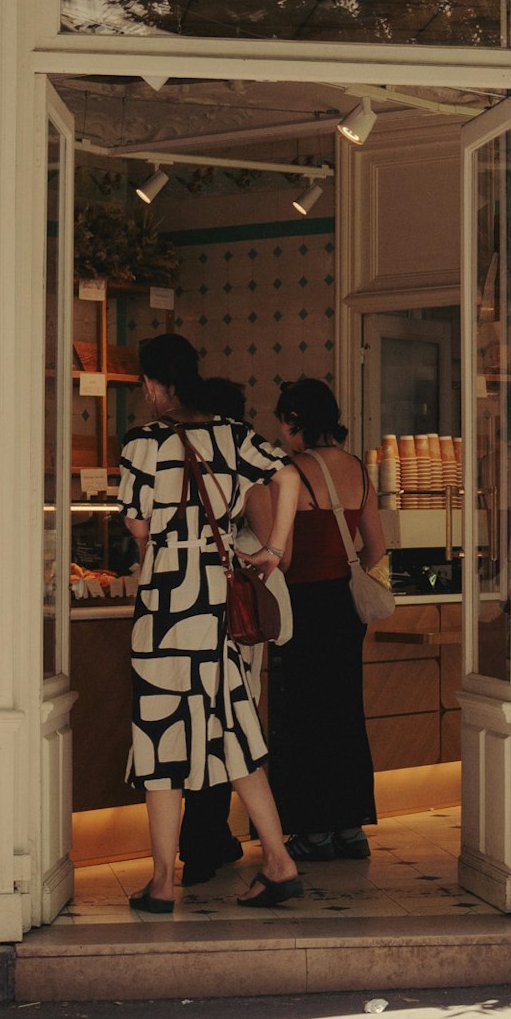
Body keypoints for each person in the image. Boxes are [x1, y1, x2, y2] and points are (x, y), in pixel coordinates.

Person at [115, 336, 304, 915]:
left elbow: (141, 530)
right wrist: (272, 549)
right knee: (232, 728)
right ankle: (278, 860)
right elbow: (288, 477)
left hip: (167, 605)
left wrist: (164, 554)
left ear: (152, 383)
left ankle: (162, 882)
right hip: (215, 601)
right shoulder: (232, 434)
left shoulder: (142, 444)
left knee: (160, 732)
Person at [265, 377, 392, 861]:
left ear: (296, 421)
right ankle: (350, 826)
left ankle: (312, 830)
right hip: (344, 606)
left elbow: (288, 554)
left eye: (284, 421)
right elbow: (377, 547)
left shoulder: (290, 471)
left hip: (304, 605)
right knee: (344, 711)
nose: (281, 431)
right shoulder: (359, 469)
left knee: (302, 715)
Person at [175, 376, 287, 887]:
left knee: (202, 722)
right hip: (230, 608)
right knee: (229, 725)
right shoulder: (242, 456)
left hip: (196, 607)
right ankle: (212, 838)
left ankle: (202, 841)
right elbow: (266, 531)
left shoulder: (172, 451)